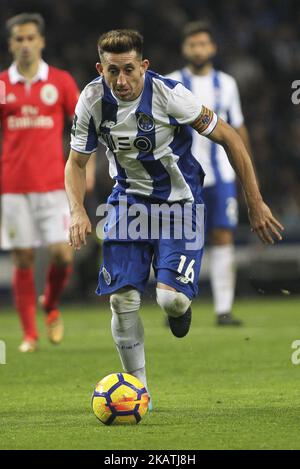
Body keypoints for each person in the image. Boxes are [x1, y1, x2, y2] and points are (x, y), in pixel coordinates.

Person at [65, 29, 283, 405]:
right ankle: (139, 391)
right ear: (100, 68)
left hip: (179, 205)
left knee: (171, 303)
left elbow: (230, 137)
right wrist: (76, 210)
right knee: (123, 299)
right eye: (112, 71)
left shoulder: (170, 94)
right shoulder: (91, 99)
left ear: (144, 66)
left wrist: (255, 200)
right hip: (128, 203)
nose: (121, 80)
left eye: (129, 70)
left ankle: (182, 305)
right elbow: (76, 162)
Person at [0, 13, 79, 352]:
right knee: (22, 259)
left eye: (31, 38)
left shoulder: (60, 82)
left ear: (42, 41)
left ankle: (51, 303)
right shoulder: (2, 85)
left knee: (63, 255)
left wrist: (84, 167)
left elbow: (82, 126)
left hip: (53, 185)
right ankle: (30, 334)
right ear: (10, 44)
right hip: (14, 186)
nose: (26, 45)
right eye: (19, 39)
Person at [168, 21, 253, 326]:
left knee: (222, 236)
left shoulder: (227, 83)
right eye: (193, 45)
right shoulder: (171, 82)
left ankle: (223, 309)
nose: (199, 49)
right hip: (181, 178)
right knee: (180, 238)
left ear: (213, 48)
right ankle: (176, 303)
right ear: (184, 49)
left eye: (203, 44)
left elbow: (237, 127)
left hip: (222, 177)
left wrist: (247, 173)